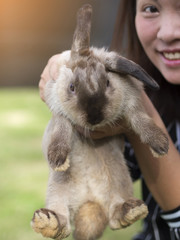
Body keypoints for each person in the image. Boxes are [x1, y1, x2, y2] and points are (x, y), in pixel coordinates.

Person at [39, 0, 180, 239]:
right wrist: (68, 78)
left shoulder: (135, 93)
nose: (168, 32)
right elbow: (106, 168)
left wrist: (139, 111)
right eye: (150, 8)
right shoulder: (154, 84)